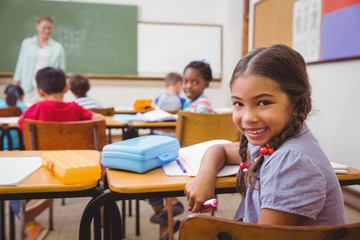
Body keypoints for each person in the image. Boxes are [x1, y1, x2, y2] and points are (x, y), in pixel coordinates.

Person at [185, 44, 346, 226]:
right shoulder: (274, 142)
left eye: (263, 102)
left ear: (296, 104)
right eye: (238, 104)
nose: (248, 118)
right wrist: (204, 176)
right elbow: (219, 149)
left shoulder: (292, 161)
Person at [15, 67, 102, 239]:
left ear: (40, 91)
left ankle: (27, 222)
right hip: (75, 166)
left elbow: (21, 125)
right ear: (66, 88)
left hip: (41, 167)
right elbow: (98, 119)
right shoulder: (75, 108)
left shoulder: (35, 108)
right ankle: (30, 219)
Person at [13, 15, 65, 104]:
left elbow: (61, 71)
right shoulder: (27, 44)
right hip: (27, 88)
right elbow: (20, 66)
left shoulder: (58, 48)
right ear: (37, 26)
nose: (47, 31)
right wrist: (14, 86)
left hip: (48, 90)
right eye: (44, 27)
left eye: (50, 28)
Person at [0, 84, 27, 150]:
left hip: (1, 146)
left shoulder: (1, 105)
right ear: (21, 97)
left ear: (4, 95)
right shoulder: (22, 107)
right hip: (20, 145)